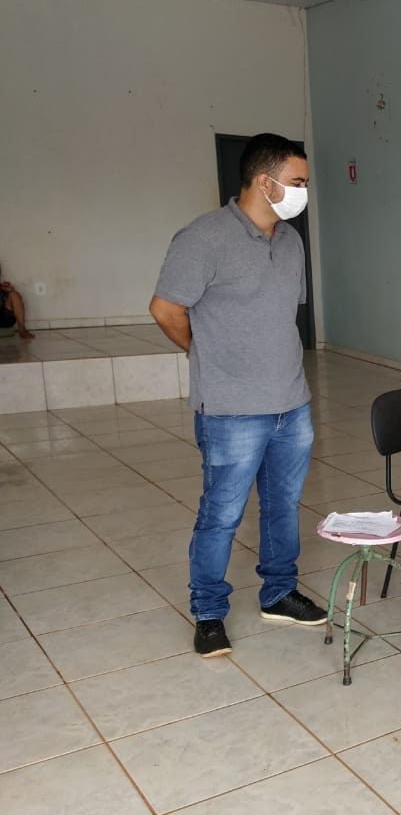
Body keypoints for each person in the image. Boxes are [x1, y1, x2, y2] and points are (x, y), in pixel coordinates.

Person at [150, 133, 323, 658]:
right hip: (230, 411)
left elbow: (281, 314)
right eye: (297, 182)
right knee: (222, 514)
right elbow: (165, 309)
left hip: (291, 403)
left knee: (282, 506)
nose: (303, 191)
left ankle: (279, 592)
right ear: (264, 182)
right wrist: (203, 352)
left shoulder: (290, 241)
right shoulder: (203, 238)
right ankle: (208, 611)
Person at [0, 265, 35, 339]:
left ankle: (22, 330)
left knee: (14, 295)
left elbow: (18, 299)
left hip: (3, 318)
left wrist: (11, 290)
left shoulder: (2, 286)